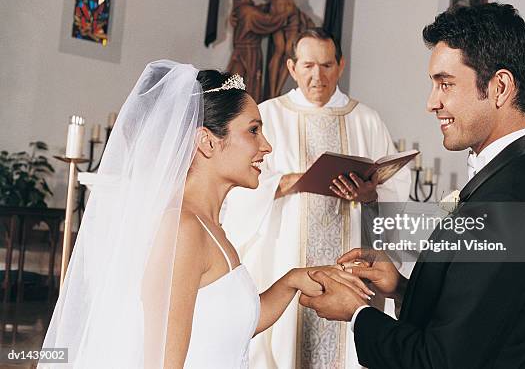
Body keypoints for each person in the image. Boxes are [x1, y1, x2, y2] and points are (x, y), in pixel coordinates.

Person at [39, 60, 371, 368]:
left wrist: (293, 280)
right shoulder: (183, 230)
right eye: (253, 130)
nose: (267, 146)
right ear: (208, 142)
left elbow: (228, 325)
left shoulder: (209, 226)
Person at [299, 3, 525, 368]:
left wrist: (356, 314)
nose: (432, 103)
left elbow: (440, 360)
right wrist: (402, 287)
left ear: (500, 87)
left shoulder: (511, 202)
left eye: (445, 84)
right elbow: (479, 317)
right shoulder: (524, 175)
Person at [223, 28, 411, 369]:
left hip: (350, 262)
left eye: (326, 66)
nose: (317, 76)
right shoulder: (267, 115)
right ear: (293, 68)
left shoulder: (366, 120)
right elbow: (234, 189)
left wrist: (371, 195)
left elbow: (395, 191)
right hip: (283, 261)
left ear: (340, 66)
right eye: (308, 65)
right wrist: (285, 182)